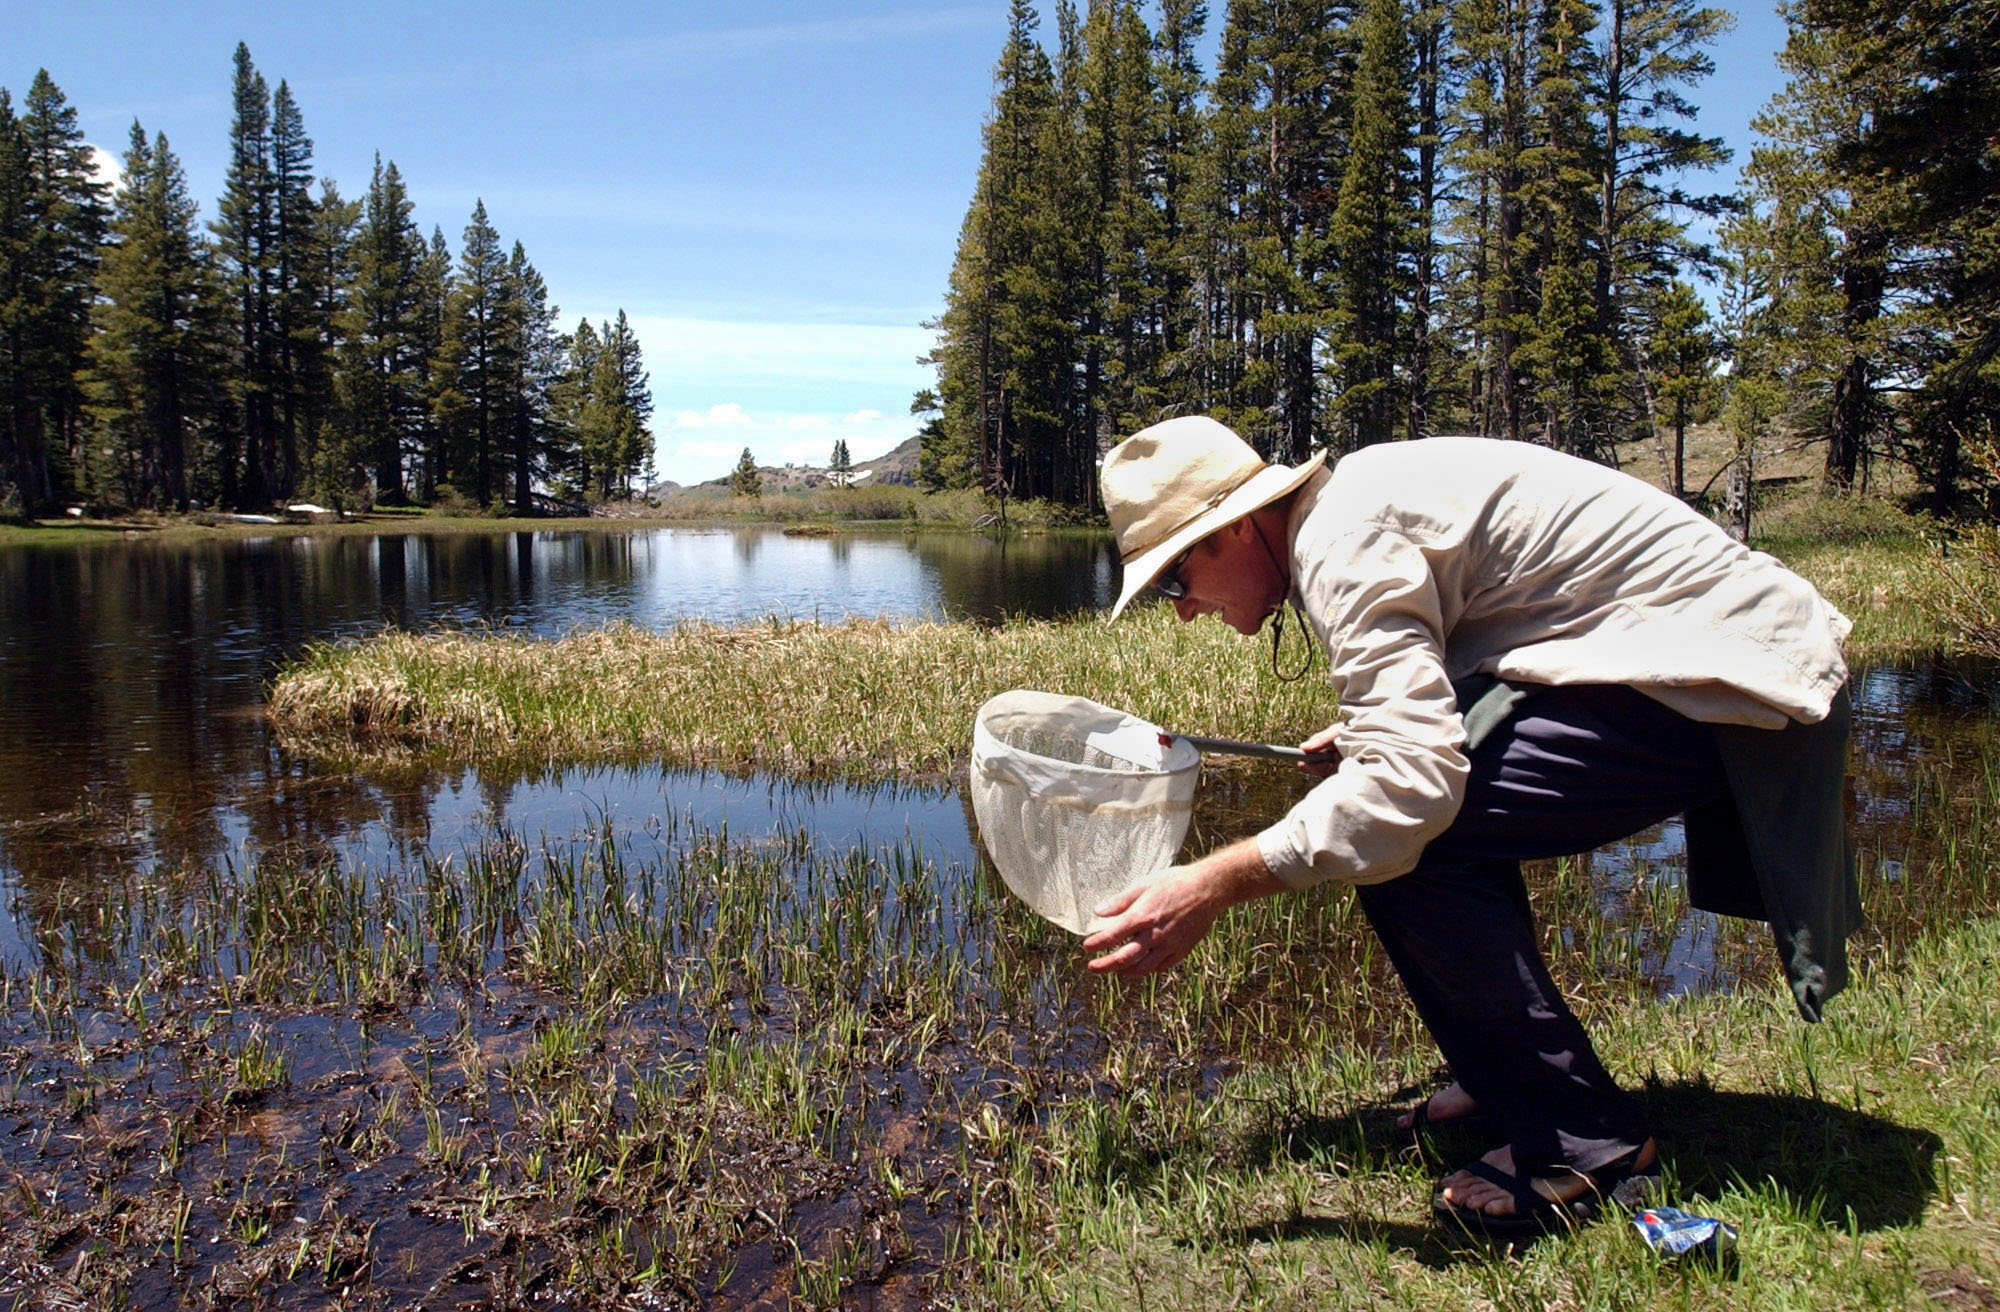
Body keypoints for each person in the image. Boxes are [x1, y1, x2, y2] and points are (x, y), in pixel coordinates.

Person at [1083, 415, 1859, 1235]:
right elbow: (1513, 616)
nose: (1182, 613)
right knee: (1392, 818)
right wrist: (1373, 740)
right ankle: (1509, 1084)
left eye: (1175, 579)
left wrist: (1212, 881)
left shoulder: (1341, 543)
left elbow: (1409, 793)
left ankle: (1588, 1143)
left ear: (1237, 526)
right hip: (1695, 660)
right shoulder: (1346, 509)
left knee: (1407, 842)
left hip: (1739, 680)